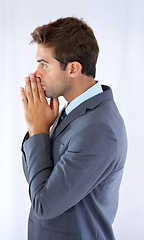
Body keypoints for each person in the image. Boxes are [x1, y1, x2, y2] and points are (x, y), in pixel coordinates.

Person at [20, 17, 127, 240]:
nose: (36, 74)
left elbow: (44, 205)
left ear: (73, 69)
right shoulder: (74, 111)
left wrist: (38, 129)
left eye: (44, 64)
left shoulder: (99, 128)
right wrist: (37, 129)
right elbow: (39, 178)